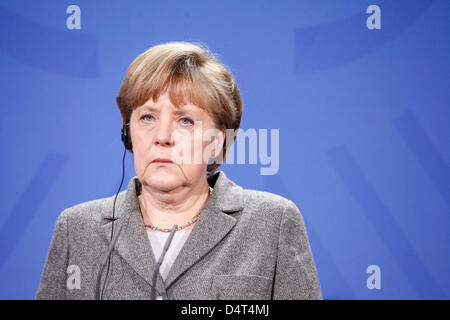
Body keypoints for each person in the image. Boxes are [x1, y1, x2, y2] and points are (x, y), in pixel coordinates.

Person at [36, 42, 322, 300]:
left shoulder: (274, 222)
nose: (163, 136)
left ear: (216, 141)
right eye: (147, 117)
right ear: (128, 134)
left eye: (185, 120)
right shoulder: (76, 228)